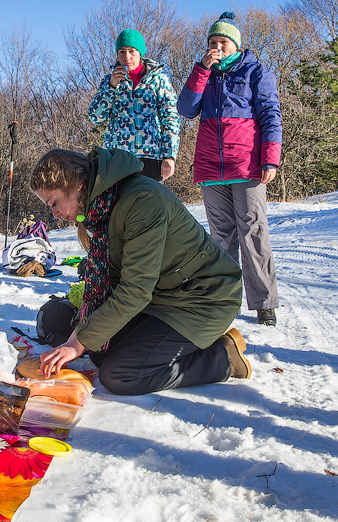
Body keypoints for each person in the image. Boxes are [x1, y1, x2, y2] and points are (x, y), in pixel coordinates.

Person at [30, 146, 250, 396]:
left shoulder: (142, 200)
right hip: (162, 296)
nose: (56, 214)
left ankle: (221, 358)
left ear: (77, 185)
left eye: (54, 203)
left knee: (119, 375)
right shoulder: (101, 207)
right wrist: (82, 329)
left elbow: (135, 290)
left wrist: (78, 341)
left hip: (202, 298)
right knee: (92, 345)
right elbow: (112, 279)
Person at [177, 12, 282, 327]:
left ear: (235, 44)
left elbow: (270, 115)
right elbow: (185, 109)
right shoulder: (204, 74)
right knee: (220, 237)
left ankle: (264, 303)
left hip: (247, 165)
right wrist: (201, 70)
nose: (217, 47)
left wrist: (271, 158)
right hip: (211, 168)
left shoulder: (255, 72)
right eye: (212, 42)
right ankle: (223, 299)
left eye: (222, 42)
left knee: (253, 231)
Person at [87, 29, 180, 183]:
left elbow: (170, 118)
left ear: (140, 53)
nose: (127, 57)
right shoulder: (108, 81)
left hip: (150, 158)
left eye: (132, 51)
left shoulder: (158, 80)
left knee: (150, 206)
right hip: (116, 159)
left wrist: (169, 156)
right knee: (120, 207)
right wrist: (111, 87)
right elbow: (96, 117)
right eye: (122, 52)